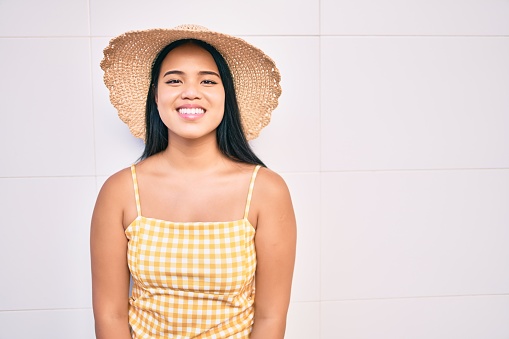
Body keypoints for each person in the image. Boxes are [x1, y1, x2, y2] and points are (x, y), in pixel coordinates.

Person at [90, 24, 297, 339]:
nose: (190, 91)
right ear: (155, 97)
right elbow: (110, 314)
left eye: (207, 80)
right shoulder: (119, 191)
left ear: (226, 95)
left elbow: (270, 318)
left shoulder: (266, 190)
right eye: (174, 80)